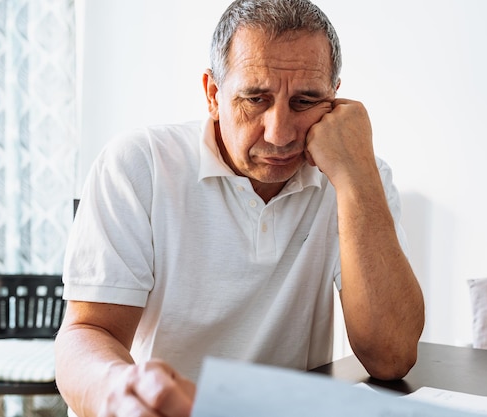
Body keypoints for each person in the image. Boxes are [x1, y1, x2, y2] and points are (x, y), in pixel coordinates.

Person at [55, 0, 425, 415]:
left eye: (305, 102)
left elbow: (391, 357)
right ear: (213, 94)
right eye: (255, 98)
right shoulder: (139, 164)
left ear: (335, 101)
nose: (280, 133)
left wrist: (356, 178)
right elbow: (87, 331)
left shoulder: (359, 173)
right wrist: (119, 393)